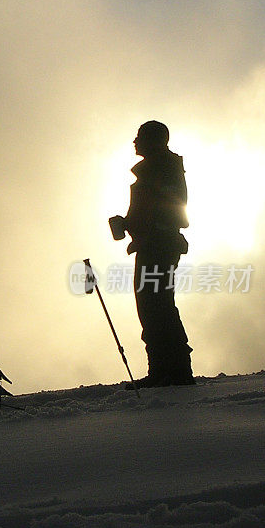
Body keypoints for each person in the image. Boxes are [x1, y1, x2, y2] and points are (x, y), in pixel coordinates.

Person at [109, 120, 194, 387]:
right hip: (155, 244)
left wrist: (138, 227)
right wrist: (128, 224)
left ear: (153, 140)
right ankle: (169, 370)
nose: (135, 141)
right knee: (155, 307)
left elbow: (165, 211)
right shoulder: (158, 169)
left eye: (140, 137)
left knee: (156, 307)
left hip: (157, 246)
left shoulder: (161, 169)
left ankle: (172, 372)